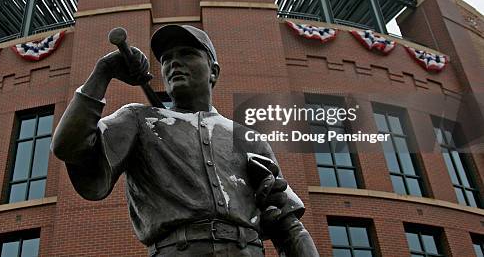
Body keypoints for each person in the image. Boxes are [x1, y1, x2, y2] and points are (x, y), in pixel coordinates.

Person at [51, 25, 319, 256]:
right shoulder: (140, 120)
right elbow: (68, 146)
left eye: (187, 54)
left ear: (213, 71)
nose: (173, 63)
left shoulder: (246, 137)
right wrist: (103, 72)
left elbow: (288, 226)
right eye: (167, 58)